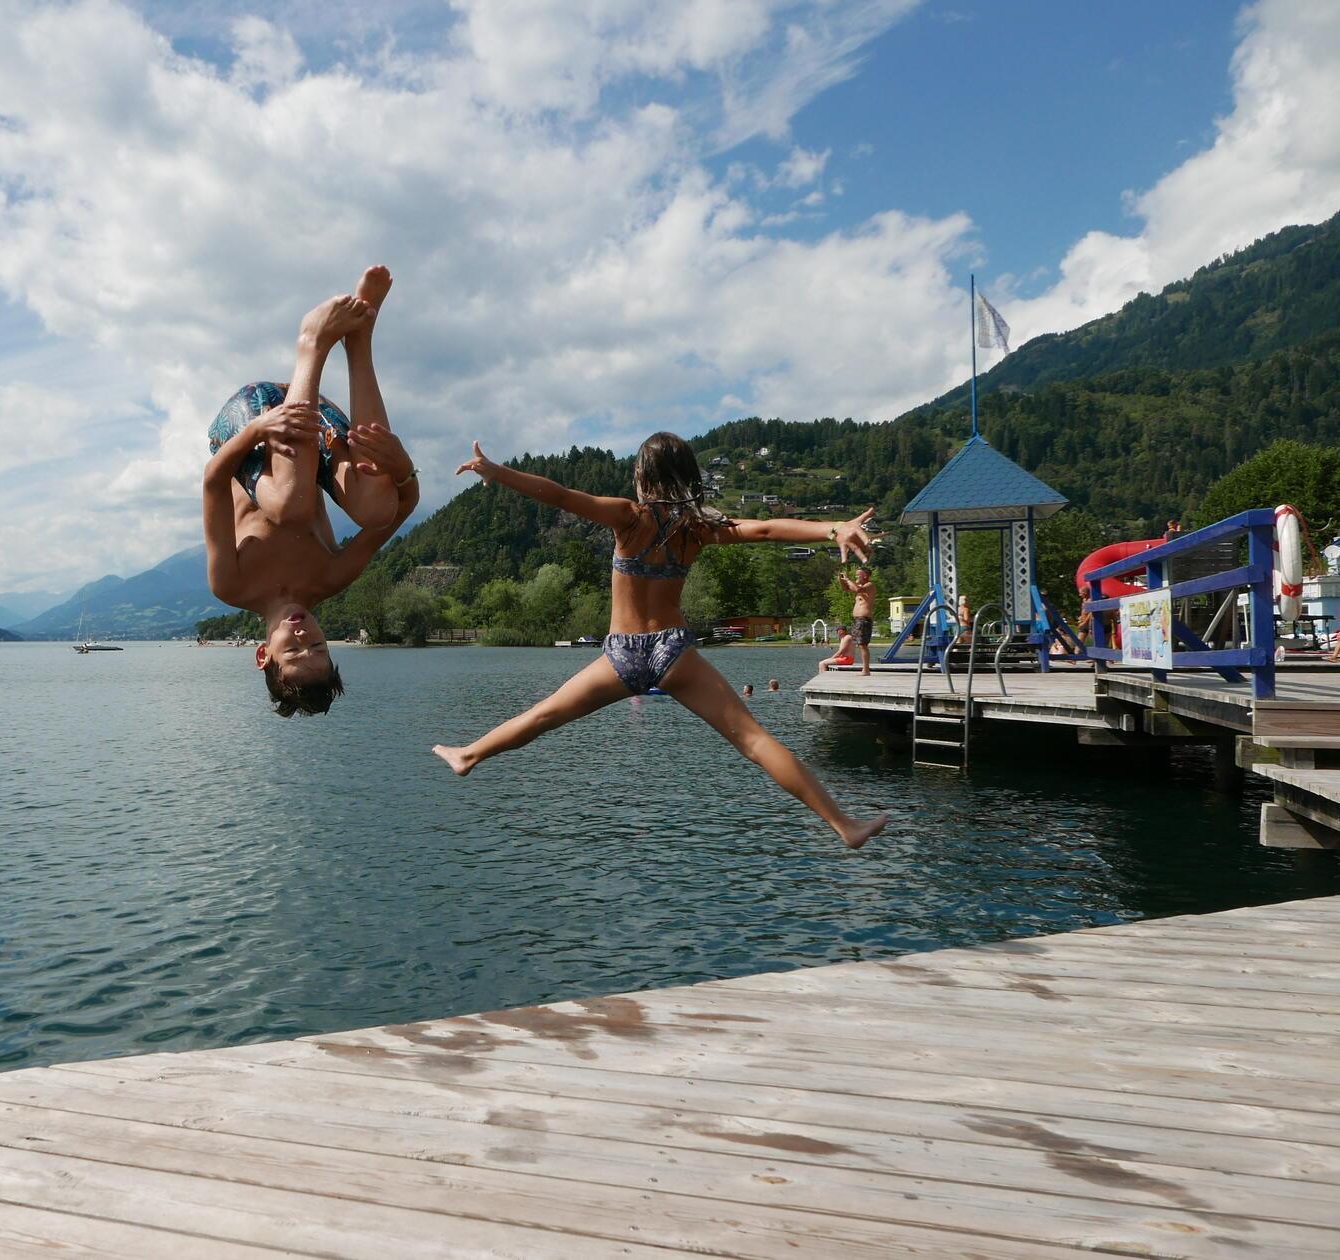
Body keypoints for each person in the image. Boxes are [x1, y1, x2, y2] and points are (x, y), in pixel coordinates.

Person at [431, 432, 888, 849]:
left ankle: (470, 754)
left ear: (642, 476)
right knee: (753, 740)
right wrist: (833, 528)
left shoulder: (628, 517)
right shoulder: (698, 528)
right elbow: (767, 528)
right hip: (673, 651)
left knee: (542, 716)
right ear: (687, 476)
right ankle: (843, 825)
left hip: (623, 654)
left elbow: (559, 495)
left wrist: (497, 473)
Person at [203, 267, 419, 716]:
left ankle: (312, 343)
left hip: (248, 421)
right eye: (318, 647)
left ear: (263, 655)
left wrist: (257, 429)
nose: (304, 638)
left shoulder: (231, 585)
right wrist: (401, 467)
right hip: (314, 419)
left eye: (294, 652)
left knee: (289, 506)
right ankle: (359, 343)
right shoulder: (330, 578)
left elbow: (212, 480)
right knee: (377, 508)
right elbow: (403, 509)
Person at [838, 568, 878, 676]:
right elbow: (846, 589)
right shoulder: (860, 587)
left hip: (864, 619)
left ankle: (866, 670)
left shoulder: (869, 585)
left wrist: (847, 578)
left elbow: (857, 590)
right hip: (858, 620)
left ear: (865, 576)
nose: (856, 577)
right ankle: (865, 669)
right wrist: (841, 580)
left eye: (857, 575)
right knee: (859, 644)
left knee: (863, 645)